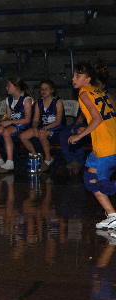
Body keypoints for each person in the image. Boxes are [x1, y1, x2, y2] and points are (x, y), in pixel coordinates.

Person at [68, 61, 116, 229]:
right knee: (90, 179)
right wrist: (87, 128)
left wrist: (79, 135)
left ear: (87, 79)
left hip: (105, 146)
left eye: (78, 76)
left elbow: (97, 118)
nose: (73, 79)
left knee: (99, 184)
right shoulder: (100, 91)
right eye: (73, 75)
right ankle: (112, 215)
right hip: (108, 140)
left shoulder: (83, 93)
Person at [0, 76, 34, 173]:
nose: (6, 87)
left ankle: (10, 162)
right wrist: (3, 120)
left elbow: (27, 120)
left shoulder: (26, 99)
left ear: (16, 87)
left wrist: (9, 122)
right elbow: (9, 116)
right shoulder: (8, 99)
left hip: (23, 125)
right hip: (12, 124)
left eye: (8, 86)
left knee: (6, 132)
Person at [19, 80, 64, 172]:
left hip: (56, 128)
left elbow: (58, 121)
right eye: (41, 89)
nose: (43, 91)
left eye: (46, 89)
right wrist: (35, 127)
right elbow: (35, 119)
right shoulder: (38, 102)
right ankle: (35, 155)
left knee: (42, 133)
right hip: (43, 128)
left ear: (52, 90)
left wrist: (44, 128)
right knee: (23, 136)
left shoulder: (58, 102)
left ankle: (48, 159)